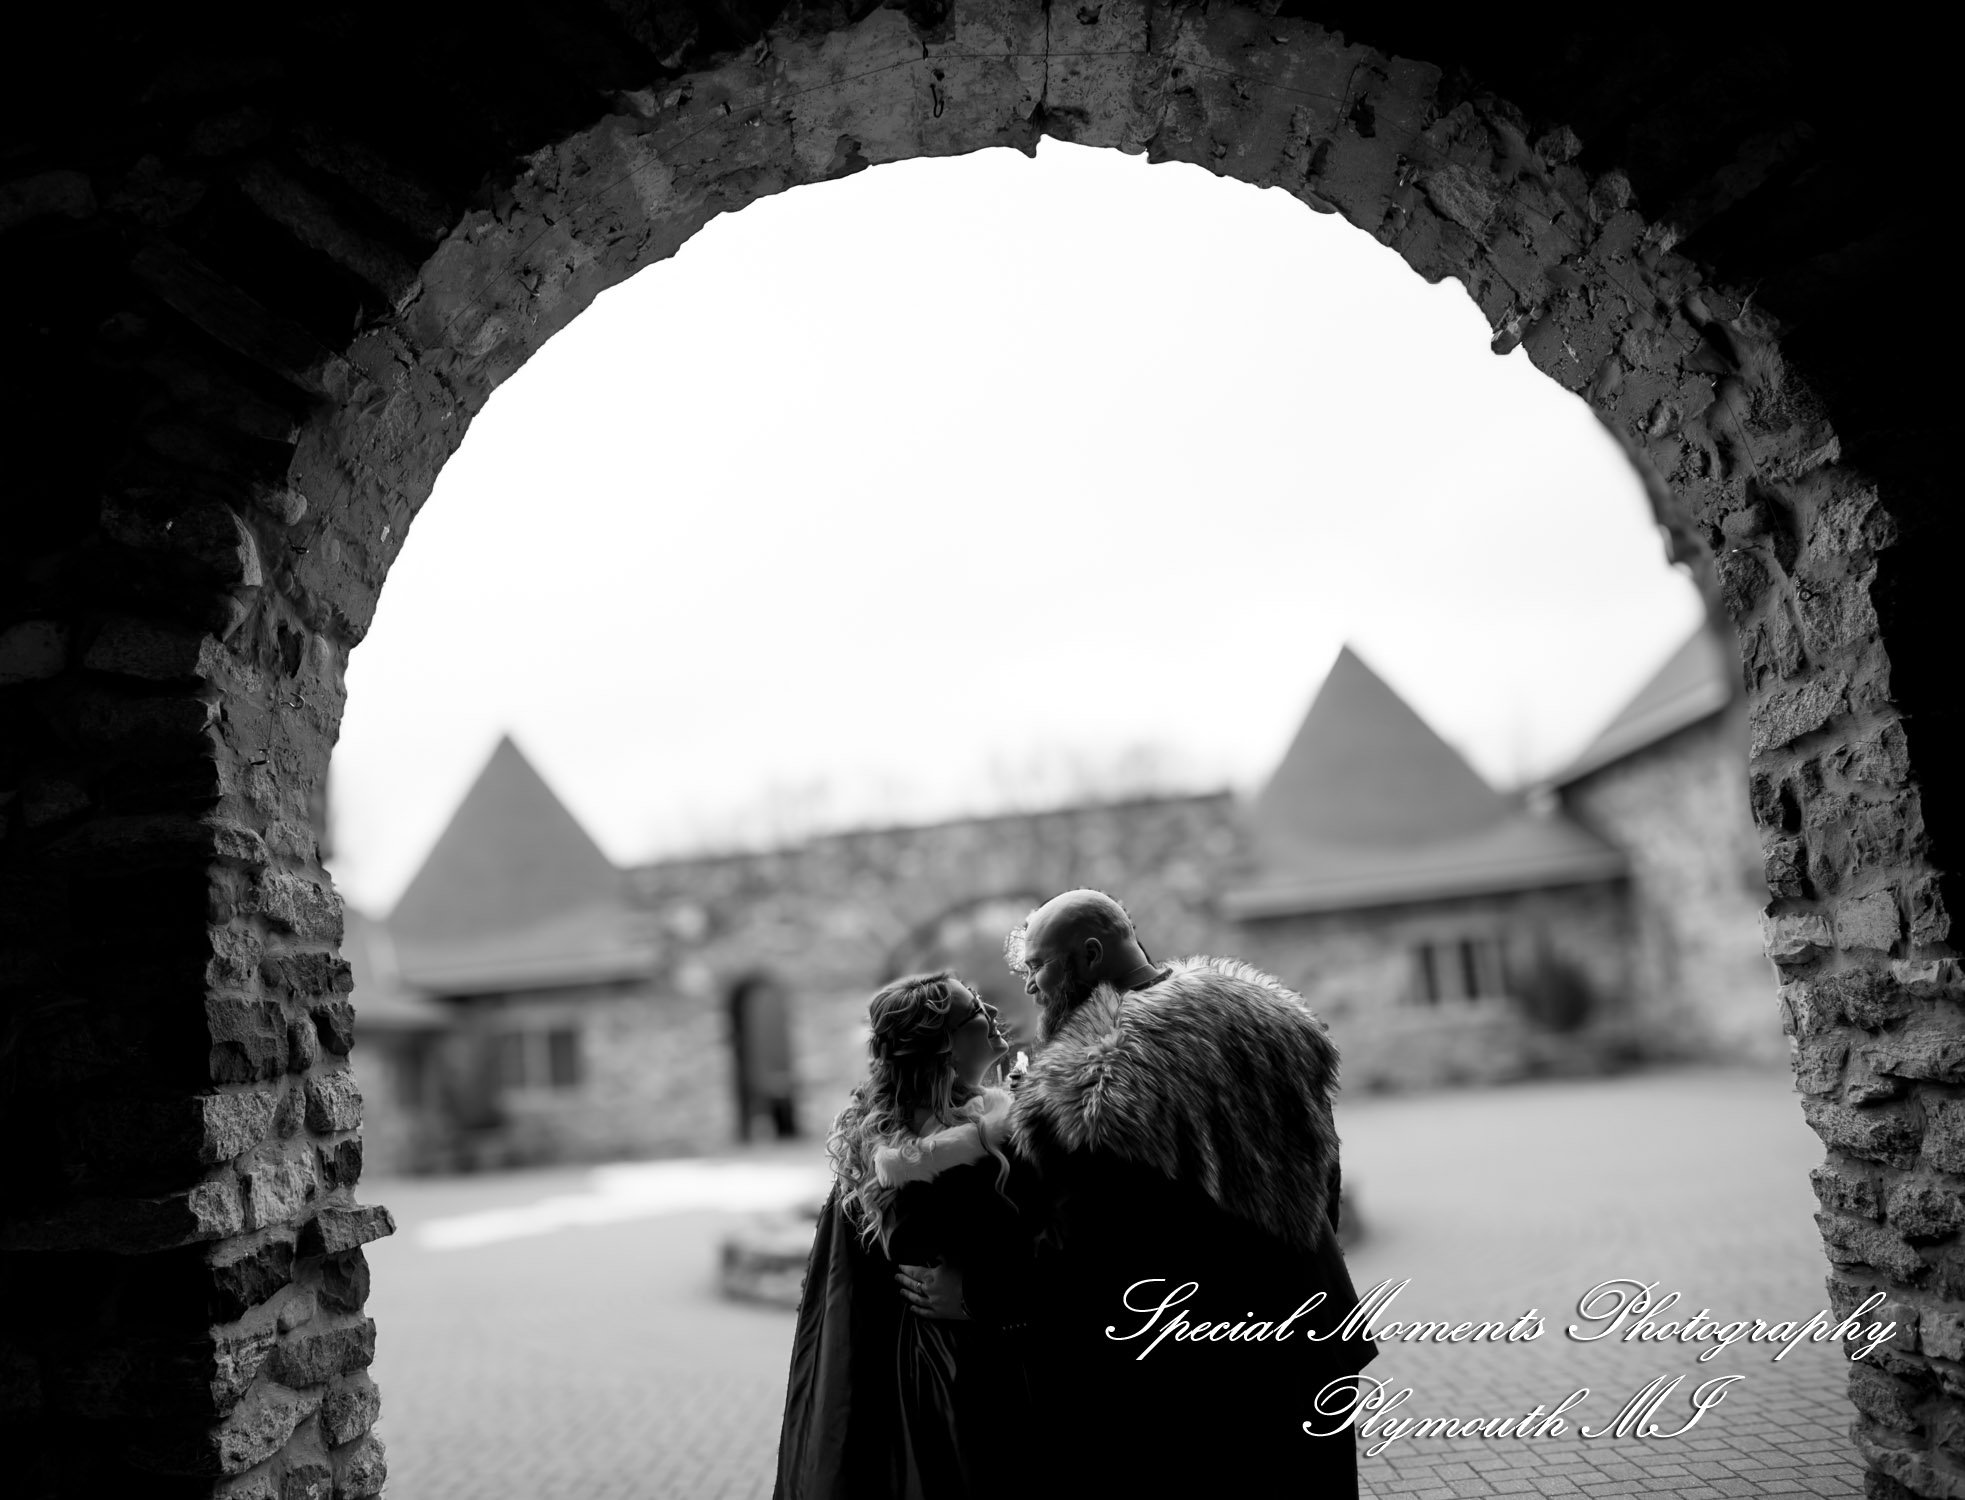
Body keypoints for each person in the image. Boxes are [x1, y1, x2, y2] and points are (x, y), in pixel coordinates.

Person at [897, 889, 1379, 1497]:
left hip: (1195, 1375)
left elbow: (1089, 1253)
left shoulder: (1091, 1078)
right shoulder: (1264, 1012)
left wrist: (976, 1296)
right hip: (1311, 1334)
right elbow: (1323, 1164)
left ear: (1090, 954)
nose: (1030, 988)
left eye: (1037, 967)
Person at [774, 970, 1033, 1499]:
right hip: (941, 1382)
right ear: (942, 1049)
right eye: (972, 1012)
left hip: (978, 1357)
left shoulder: (989, 1124)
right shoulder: (918, 1161)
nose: (988, 1013)